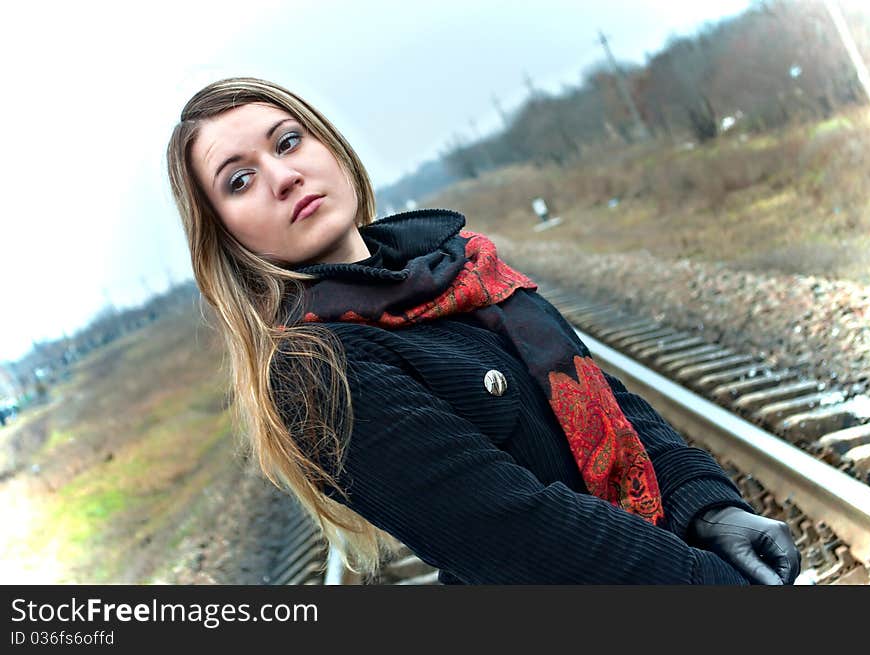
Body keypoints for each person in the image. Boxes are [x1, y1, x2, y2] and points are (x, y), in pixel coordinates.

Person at [166, 77, 800, 585]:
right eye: (240, 180)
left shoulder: (459, 267)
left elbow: (607, 401)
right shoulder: (318, 372)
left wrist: (709, 507)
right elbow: (523, 537)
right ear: (225, 233)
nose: (283, 177)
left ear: (329, 146)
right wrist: (705, 581)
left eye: (287, 142)